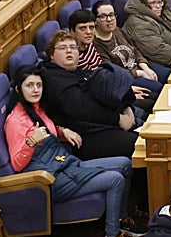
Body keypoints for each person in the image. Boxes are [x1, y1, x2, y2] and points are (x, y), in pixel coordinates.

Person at [4, 65, 141, 237]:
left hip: (64, 163)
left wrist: (62, 130)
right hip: (52, 178)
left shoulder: (38, 109)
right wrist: (30, 142)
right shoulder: (15, 121)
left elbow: (47, 130)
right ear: (19, 89)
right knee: (115, 179)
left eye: (39, 85)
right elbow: (17, 163)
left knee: (125, 164)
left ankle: (121, 219)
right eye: (29, 86)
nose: (36, 90)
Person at [39, 30, 138, 161]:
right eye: (62, 48)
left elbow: (104, 92)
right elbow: (83, 109)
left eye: (73, 47)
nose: (69, 51)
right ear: (52, 55)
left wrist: (126, 108)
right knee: (139, 144)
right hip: (85, 136)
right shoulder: (52, 77)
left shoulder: (78, 71)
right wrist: (118, 119)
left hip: (102, 124)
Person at [91, 0, 170, 87]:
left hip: (139, 67)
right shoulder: (96, 44)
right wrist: (140, 73)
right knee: (157, 87)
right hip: (126, 79)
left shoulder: (116, 30)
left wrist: (146, 68)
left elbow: (135, 49)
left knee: (169, 75)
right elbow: (112, 72)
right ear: (95, 21)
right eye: (103, 16)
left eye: (111, 15)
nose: (109, 19)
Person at [122, 0, 171, 73]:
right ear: (144, 5)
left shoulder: (163, 11)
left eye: (159, 2)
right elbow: (158, 50)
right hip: (154, 63)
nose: (158, 6)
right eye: (153, 3)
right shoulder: (139, 24)